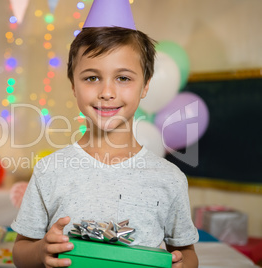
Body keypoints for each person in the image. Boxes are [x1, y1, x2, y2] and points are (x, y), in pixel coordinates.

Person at [11, 1, 199, 268]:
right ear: (73, 85)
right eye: (91, 78)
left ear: (145, 85)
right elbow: (20, 251)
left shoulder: (170, 179)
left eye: (123, 78)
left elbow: (186, 252)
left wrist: (183, 264)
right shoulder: (50, 171)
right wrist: (41, 251)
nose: (107, 92)